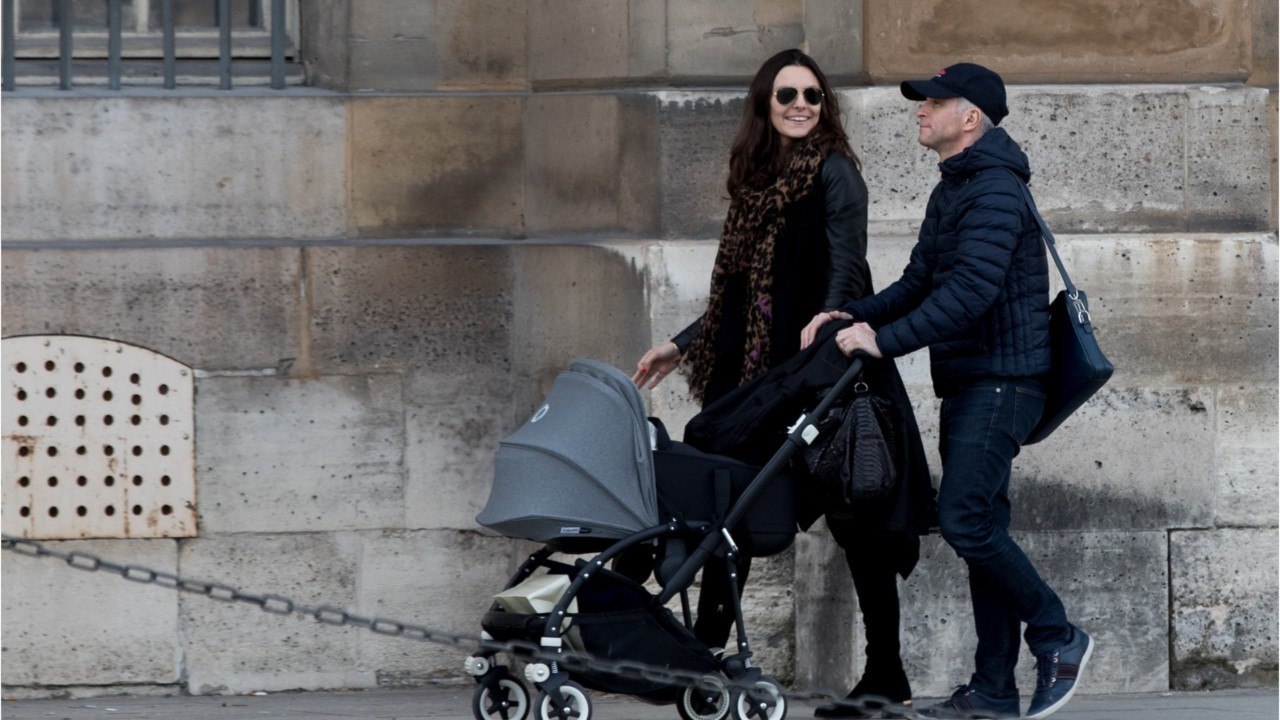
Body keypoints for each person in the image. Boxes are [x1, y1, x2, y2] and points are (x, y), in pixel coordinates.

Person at [633, 48, 931, 718]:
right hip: (762, 375)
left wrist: (829, 319)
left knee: (862, 524)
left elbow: (848, 268)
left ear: (825, 105)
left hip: (826, 371)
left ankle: (886, 673)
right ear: (765, 103)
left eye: (813, 96)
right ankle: (706, 645)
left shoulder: (835, 174)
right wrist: (680, 346)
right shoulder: (755, 181)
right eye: (787, 95)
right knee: (727, 495)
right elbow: (740, 298)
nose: (801, 105)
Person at [801, 63, 1094, 720]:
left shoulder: (992, 189)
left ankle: (1057, 634)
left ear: (970, 118)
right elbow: (919, 282)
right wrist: (853, 316)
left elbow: (967, 296)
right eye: (920, 102)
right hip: (971, 383)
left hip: (1002, 383)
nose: (919, 111)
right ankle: (992, 691)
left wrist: (884, 343)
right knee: (982, 523)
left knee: (962, 519)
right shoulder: (956, 187)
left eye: (933, 102)